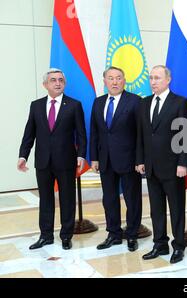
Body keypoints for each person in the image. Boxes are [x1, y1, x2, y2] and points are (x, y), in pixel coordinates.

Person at [18, 68, 87, 250]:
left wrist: (81, 155)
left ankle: (66, 236)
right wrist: (23, 155)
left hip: (66, 161)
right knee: (46, 200)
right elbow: (29, 134)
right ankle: (46, 236)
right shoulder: (36, 105)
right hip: (43, 161)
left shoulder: (74, 105)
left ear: (64, 83)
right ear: (45, 85)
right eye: (53, 80)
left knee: (67, 199)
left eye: (60, 80)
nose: (57, 83)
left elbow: (81, 134)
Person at [136, 65, 187, 264]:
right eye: (151, 78)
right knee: (156, 209)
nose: (153, 81)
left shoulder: (180, 102)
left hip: (173, 166)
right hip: (151, 167)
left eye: (157, 78)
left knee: (176, 209)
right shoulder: (144, 103)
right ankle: (160, 244)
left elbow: (186, 136)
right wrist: (140, 160)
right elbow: (141, 135)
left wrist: (183, 163)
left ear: (168, 80)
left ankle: (179, 247)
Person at [90, 66, 142, 252]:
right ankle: (113, 233)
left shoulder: (135, 101)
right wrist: (94, 158)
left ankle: (132, 235)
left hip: (129, 160)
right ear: (105, 81)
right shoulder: (98, 102)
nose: (114, 82)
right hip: (105, 159)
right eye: (110, 78)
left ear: (124, 80)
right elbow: (95, 132)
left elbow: (140, 134)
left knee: (132, 199)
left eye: (118, 78)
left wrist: (139, 159)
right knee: (109, 198)